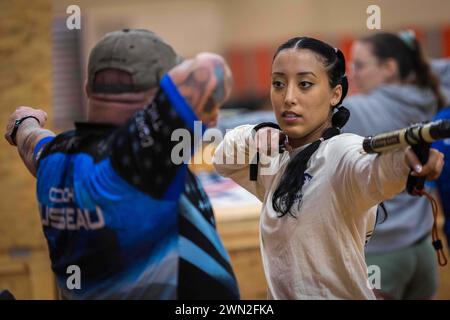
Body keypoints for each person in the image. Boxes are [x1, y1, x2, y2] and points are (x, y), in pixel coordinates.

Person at [4, 29, 239, 299]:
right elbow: (211, 69)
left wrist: (25, 122)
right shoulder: (137, 162)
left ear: (87, 89)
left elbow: (32, 141)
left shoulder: (54, 159)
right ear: (161, 97)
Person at [212, 36, 444, 299]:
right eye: (278, 84)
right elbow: (224, 159)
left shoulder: (341, 152)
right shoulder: (276, 158)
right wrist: (255, 133)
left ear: (335, 94)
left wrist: (407, 161)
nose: (288, 97)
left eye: (305, 84)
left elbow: (374, 169)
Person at [343, 31, 448, 299]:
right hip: (422, 250)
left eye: (360, 65)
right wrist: (412, 53)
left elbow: (294, 118)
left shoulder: (361, 110)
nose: (352, 73)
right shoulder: (432, 94)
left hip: (382, 256)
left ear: (389, 67)